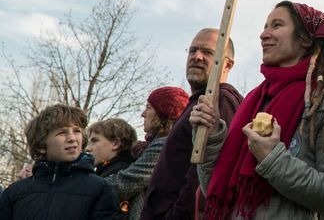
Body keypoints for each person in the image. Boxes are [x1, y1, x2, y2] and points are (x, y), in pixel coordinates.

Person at [191, 1, 324, 219]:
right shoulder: (254, 101)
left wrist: (273, 159)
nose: (263, 34)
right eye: (265, 26)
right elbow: (214, 191)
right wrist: (212, 136)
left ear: (305, 39)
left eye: (276, 25)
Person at [141, 29, 243, 220]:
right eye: (193, 50)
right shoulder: (198, 101)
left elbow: (205, 176)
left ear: (227, 64)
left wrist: (176, 215)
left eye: (208, 52)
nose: (197, 57)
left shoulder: (219, 100)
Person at [0, 104, 119, 219]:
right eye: (62, 133)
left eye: (77, 131)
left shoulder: (100, 189)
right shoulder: (15, 192)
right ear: (41, 145)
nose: (72, 138)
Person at [104, 86, 189, 220]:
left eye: (148, 108)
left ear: (164, 113)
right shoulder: (151, 145)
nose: (143, 114)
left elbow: (125, 183)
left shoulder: (164, 146)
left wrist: (85, 186)